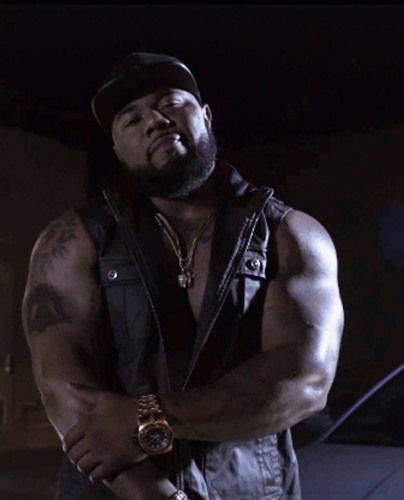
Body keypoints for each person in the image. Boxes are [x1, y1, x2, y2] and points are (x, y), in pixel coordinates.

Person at [22, 52, 344, 499]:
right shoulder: (74, 239)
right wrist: (161, 496)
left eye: (170, 103)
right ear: (117, 150)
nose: (154, 121)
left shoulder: (289, 233)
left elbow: (305, 380)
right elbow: (64, 391)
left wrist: (148, 417)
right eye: (131, 120)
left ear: (206, 116)